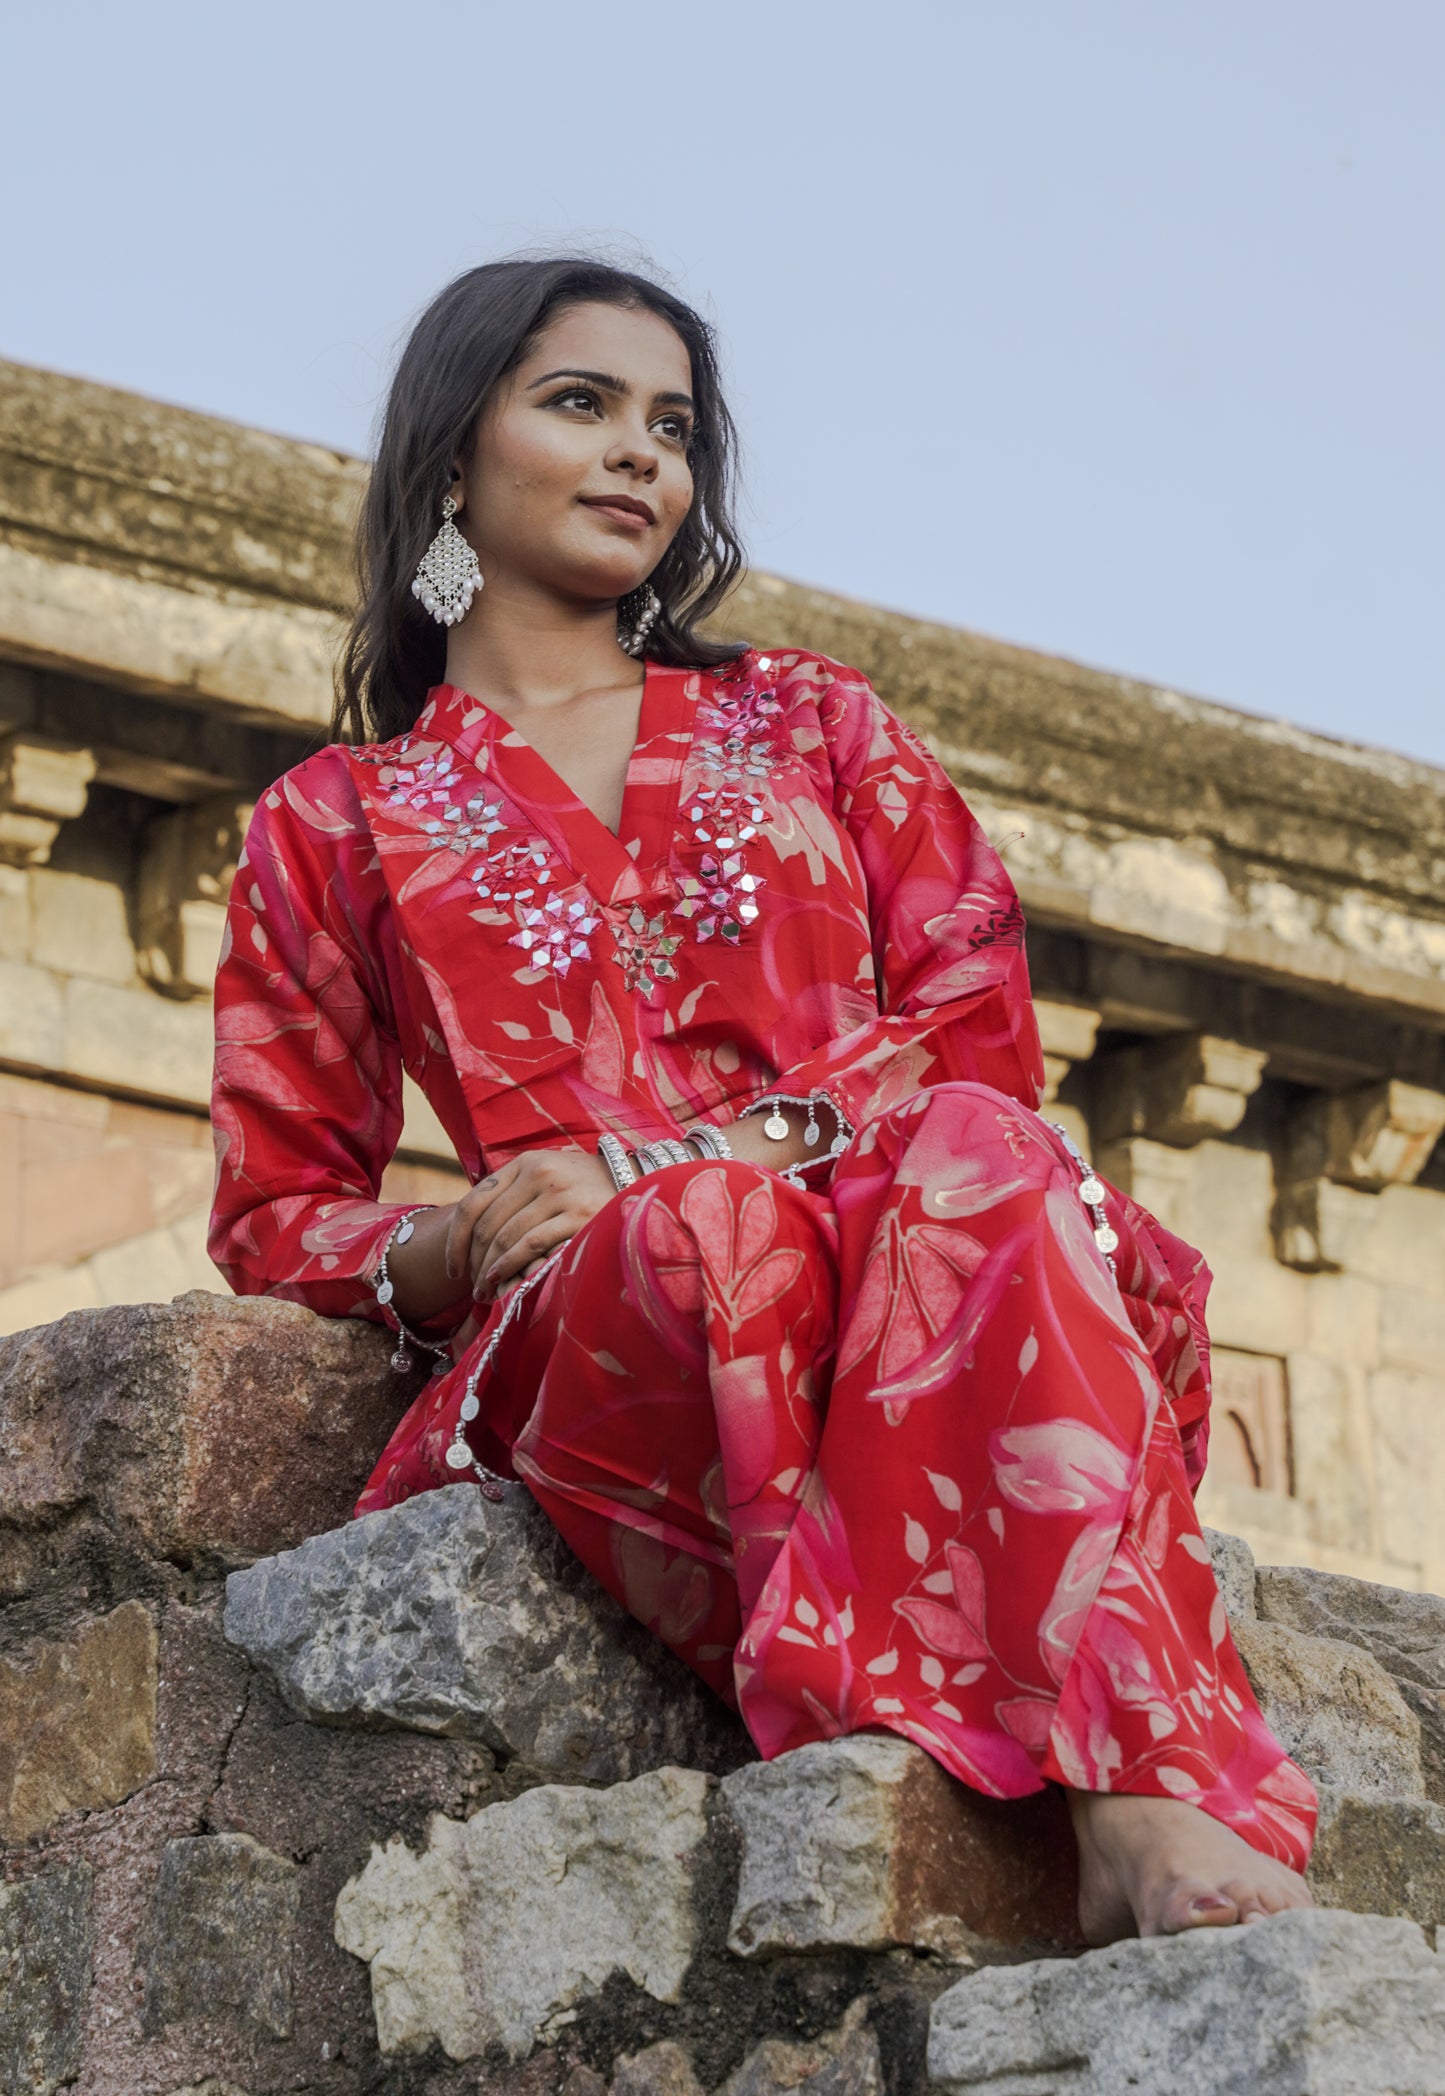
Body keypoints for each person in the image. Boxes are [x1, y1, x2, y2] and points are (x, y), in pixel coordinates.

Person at [210, 255, 1317, 1945]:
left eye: (673, 426)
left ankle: (1133, 1802)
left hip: (909, 1233)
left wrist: (676, 1150)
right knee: (703, 1233)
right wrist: (460, 1236)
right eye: (579, 404)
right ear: (451, 455)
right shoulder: (334, 822)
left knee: (978, 1155)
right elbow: (276, 1207)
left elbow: (966, 1036)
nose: (641, 455)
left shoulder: (810, 721)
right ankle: (1090, 1765)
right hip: (617, 1312)